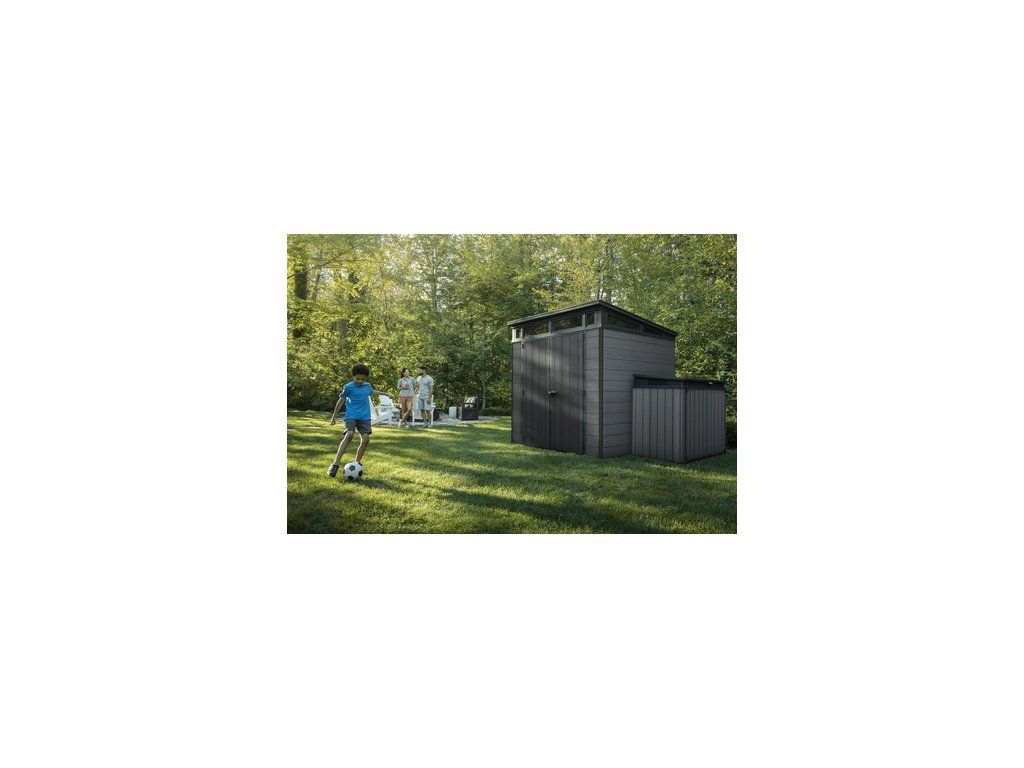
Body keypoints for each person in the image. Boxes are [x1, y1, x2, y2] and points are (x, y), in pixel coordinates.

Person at [327, 364, 394, 477]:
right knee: (349, 434)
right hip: (351, 415)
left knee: (365, 439)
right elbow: (341, 401)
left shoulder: (367, 386)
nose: (360, 381)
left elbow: (372, 392)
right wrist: (334, 417)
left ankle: (356, 463)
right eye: (357, 379)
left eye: (363, 379)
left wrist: (385, 394)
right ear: (353, 376)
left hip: (364, 417)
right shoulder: (348, 387)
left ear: (366, 378)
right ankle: (335, 464)